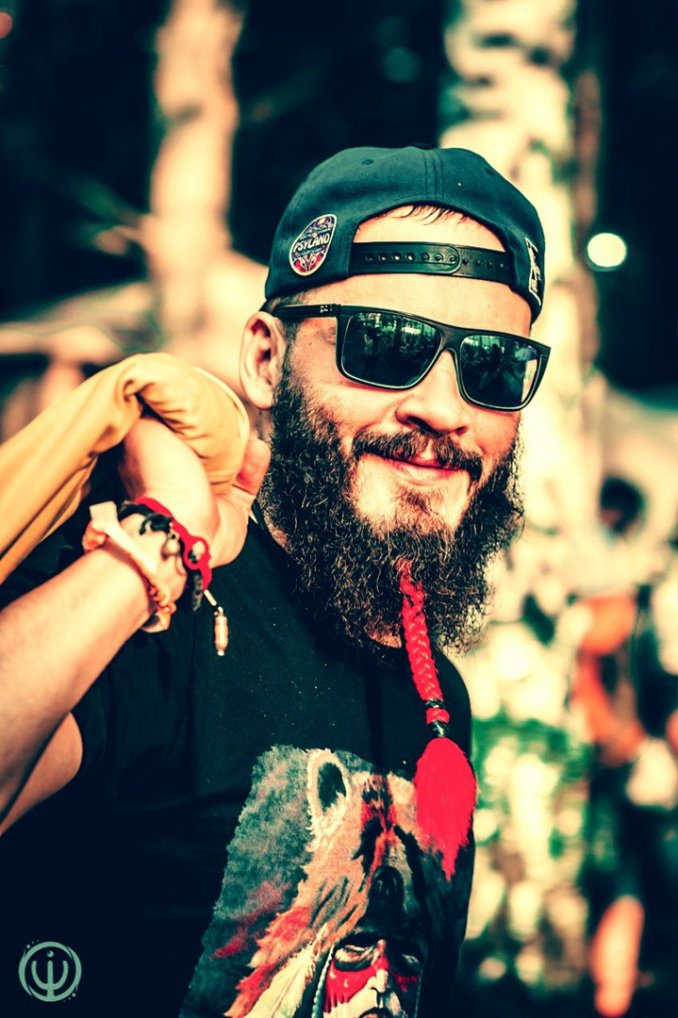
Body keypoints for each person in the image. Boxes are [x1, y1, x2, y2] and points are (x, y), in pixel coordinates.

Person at [0, 144, 549, 1017]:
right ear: (265, 360)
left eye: (492, 367)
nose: (445, 410)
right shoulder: (151, 603)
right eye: (385, 344)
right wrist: (160, 536)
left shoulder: (436, 691)